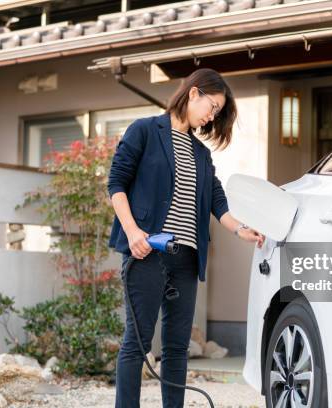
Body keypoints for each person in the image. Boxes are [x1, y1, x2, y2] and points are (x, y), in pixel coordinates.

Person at [107, 68, 265, 408]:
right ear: (193, 93)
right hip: (147, 251)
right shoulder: (145, 131)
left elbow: (216, 200)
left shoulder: (201, 153)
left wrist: (240, 228)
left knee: (177, 347)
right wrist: (134, 233)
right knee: (137, 342)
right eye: (213, 106)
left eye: (218, 113)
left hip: (186, 258)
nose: (211, 117)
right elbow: (116, 183)